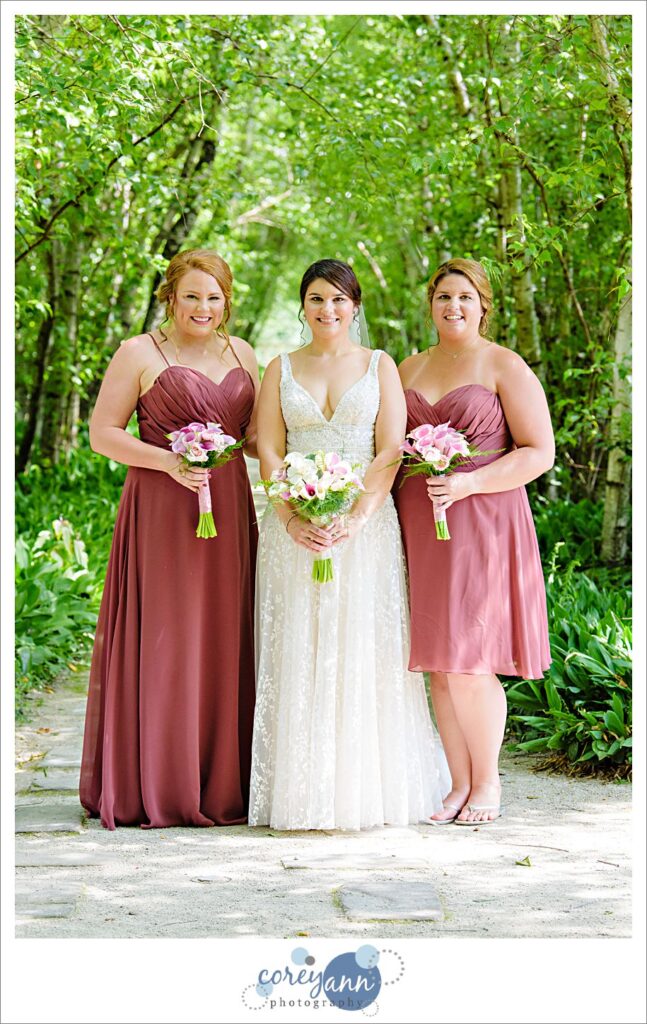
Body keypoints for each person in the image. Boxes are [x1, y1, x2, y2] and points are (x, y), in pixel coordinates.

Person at [249, 258, 449, 831]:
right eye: (316, 299)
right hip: (295, 529)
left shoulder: (380, 365)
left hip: (365, 526)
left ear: (354, 307)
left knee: (364, 646)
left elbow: (390, 448)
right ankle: (301, 792)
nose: (327, 310)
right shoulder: (279, 368)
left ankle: (366, 790)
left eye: (338, 300)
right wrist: (290, 518)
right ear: (303, 306)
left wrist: (358, 516)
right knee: (301, 646)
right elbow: (268, 450)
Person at [80, 249, 260, 829]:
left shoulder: (245, 354)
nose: (202, 307)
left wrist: (320, 467)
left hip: (227, 507)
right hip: (162, 507)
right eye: (191, 296)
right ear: (170, 297)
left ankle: (220, 778)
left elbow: (256, 438)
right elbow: (103, 434)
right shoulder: (139, 353)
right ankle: (156, 779)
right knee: (166, 633)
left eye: (213, 297)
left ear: (227, 301)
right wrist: (167, 461)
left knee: (223, 632)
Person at [395, 257, 554, 826]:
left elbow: (539, 451)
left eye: (464, 297)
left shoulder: (503, 365)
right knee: (438, 662)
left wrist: (469, 483)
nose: (453, 306)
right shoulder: (408, 368)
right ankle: (457, 783)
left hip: (482, 519)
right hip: (420, 521)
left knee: (469, 660)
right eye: (443, 297)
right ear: (430, 303)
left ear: (483, 304)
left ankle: (488, 780)